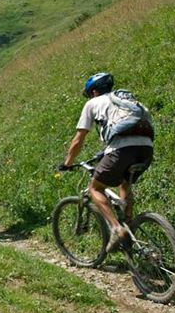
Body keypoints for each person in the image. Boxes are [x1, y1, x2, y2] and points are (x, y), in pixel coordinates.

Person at [58, 72, 153, 251]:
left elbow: (78, 139)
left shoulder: (92, 103)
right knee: (125, 184)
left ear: (93, 92)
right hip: (146, 148)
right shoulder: (129, 101)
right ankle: (128, 227)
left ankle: (116, 229)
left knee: (95, 188)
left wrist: (68, 163)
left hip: (121, 150)